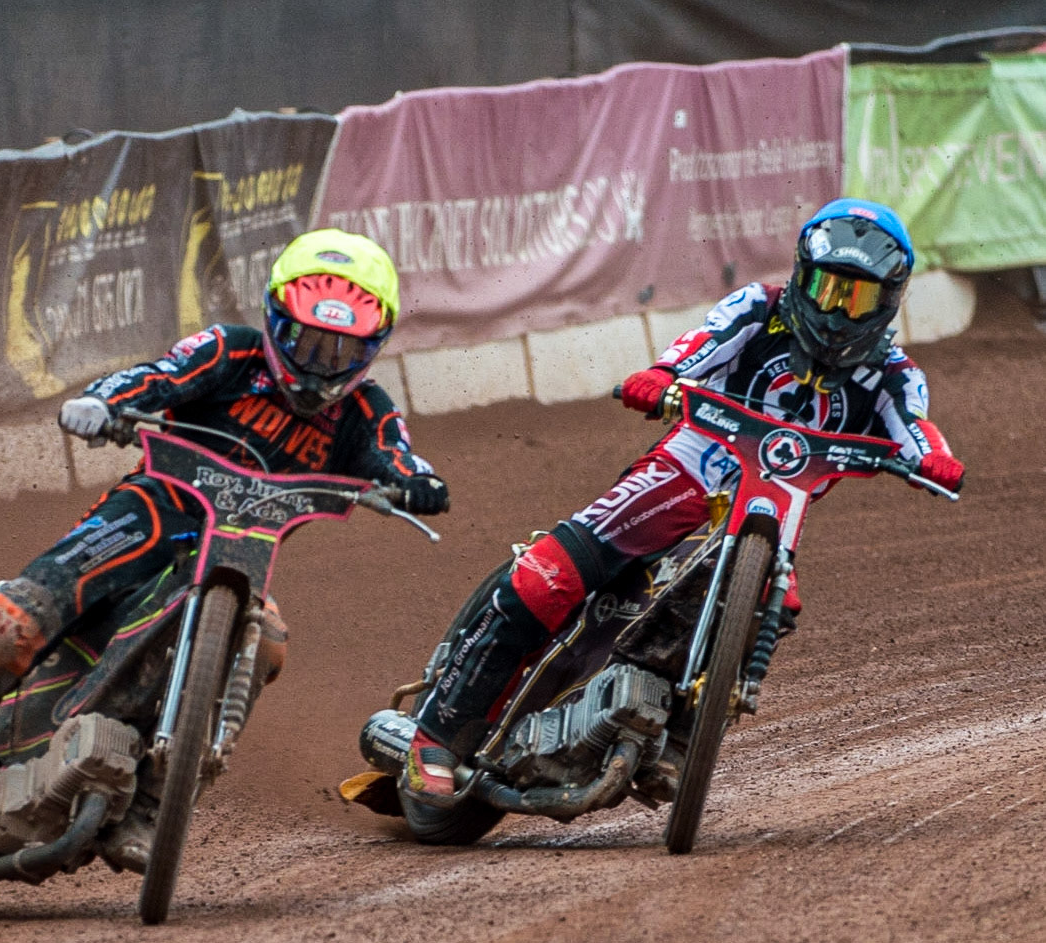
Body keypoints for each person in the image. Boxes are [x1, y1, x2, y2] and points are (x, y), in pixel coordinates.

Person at [0, 227, 451, 874]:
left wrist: (416, 484)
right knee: (5, 627)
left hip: (237, 560)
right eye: (306, 340)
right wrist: (107, 403)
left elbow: (398, 455)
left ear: (370, 346)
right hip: (140, 522)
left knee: (267, 639)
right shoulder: (230, 351)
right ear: (276, 321)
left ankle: (152, 808)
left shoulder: (365, 410)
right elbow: (155, 376)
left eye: (338, 349)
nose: (318, 361)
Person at [393, 198, 966, 811]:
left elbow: (915, 428)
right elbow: (698, 346)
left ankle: (679, 739)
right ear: (802, 278)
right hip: (686, 469)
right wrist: (662, 376)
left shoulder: (895, 374)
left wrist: (934, 459)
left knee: (779, 603)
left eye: (855, 299)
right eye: (827, 290)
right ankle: (436, 736)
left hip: (769, 515)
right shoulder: (759, 308)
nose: (835, 311)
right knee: (547, 576)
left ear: (888, 302)